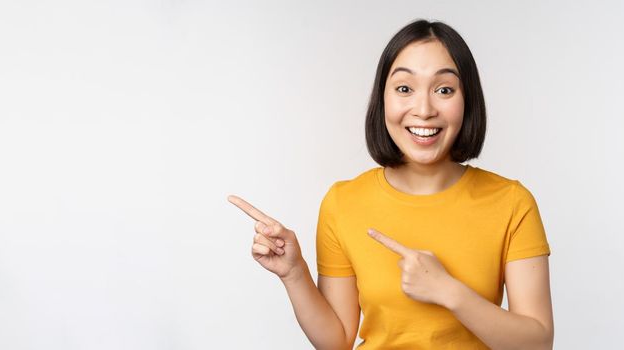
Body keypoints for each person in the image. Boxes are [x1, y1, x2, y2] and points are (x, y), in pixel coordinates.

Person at [228, 19, 553, 350]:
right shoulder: (343, 203)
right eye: (404, 89)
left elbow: (537, 344)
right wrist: (294, 274)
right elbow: (336, 341)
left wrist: (448, 292)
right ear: (382, 99)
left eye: (444, 90)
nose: (424, 110)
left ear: (467, 99)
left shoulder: (512, 202)